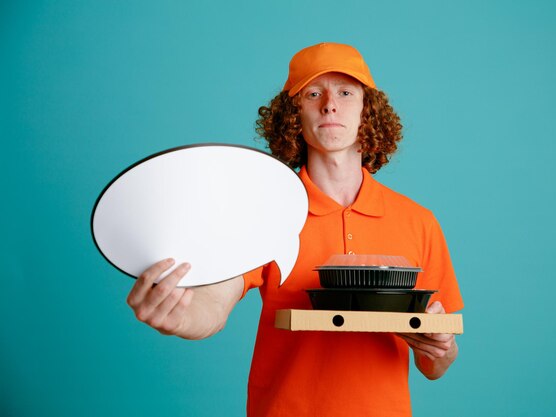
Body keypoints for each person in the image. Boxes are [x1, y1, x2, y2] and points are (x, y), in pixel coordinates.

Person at [126, 42, 463, 417]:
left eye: (346, 92)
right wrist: (181, 316)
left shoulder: (419, 221)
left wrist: (440, 347)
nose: (330, 104)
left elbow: (435, 363)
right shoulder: (265, 214)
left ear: (368, 111)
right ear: (293, 115)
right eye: (313, 93)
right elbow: (215, 301)